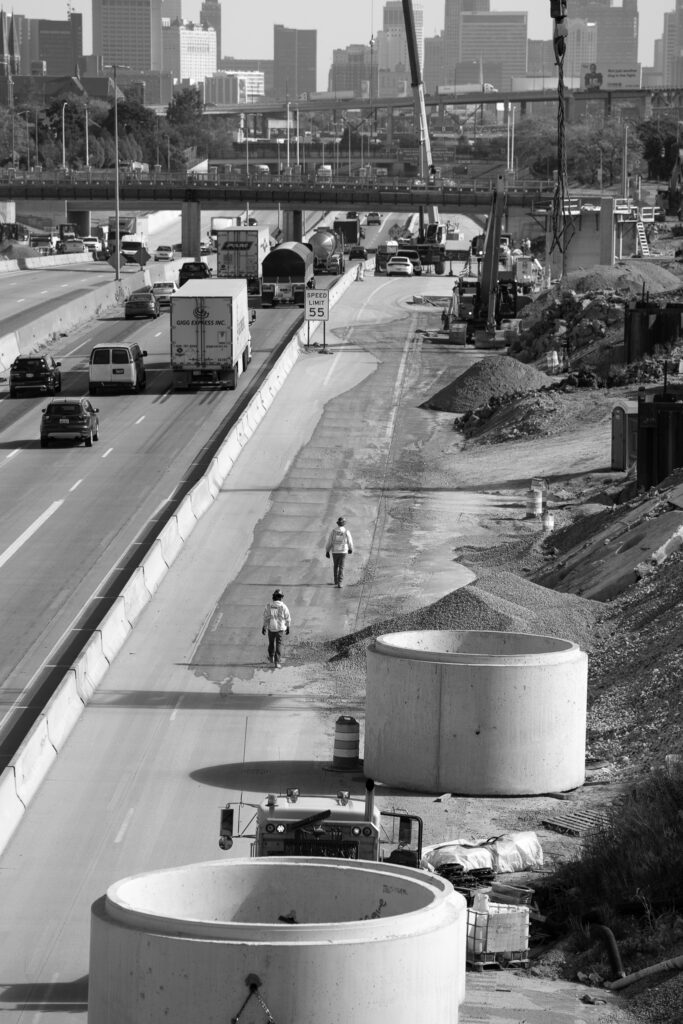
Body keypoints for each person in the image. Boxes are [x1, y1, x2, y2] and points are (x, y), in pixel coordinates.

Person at [261, 588, 291, 667]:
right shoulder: (283, 606)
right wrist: (288, 626)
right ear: (281, 597)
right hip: (280, 629)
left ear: (273, 597)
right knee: (279, 644)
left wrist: (264, 627)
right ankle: (277, 662)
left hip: (271, 629)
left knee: (271, 643)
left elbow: (266, 617)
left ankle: (271, 657)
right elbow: (287, 617)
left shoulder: (268, 606)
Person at [325, 516, 353, 588]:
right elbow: (350, 541)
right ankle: (340, 582)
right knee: (341, 567)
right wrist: (350, 549)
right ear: (344, 523)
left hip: (335, 551)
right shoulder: (346, 531)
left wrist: (327, 551)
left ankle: (336, 581)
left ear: (338, 523)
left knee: (336, 566)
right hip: (343, 551)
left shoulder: (333, 531)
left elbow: (329, 542)